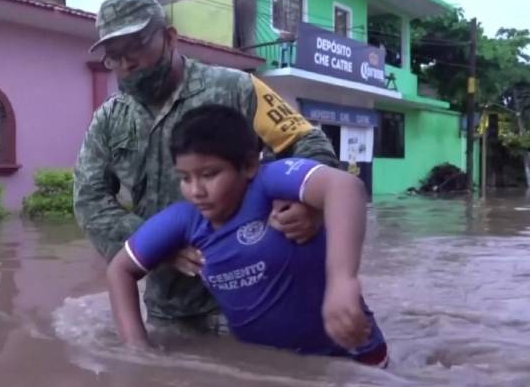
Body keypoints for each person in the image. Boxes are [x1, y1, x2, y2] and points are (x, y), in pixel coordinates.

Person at [74, 0, 339, 333]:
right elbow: (89, 200)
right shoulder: (110, 120)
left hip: (259, 298)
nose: (126, 64)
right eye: (114, 56)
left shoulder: (236, 88)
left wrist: (308, 205)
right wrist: (154, 244)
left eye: (136, 46)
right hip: (172, 309)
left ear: (170, 38)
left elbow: (306, 140)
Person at [106, 105, 388, 366]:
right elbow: (120, 269)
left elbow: (346, 187)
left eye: (209, 174)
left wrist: (343, 281)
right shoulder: (184, 220)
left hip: (354, 357)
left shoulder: (269, 185)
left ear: (249, 165)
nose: (196, 190)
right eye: (185, 178)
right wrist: (137, 350)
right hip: (270, 367)